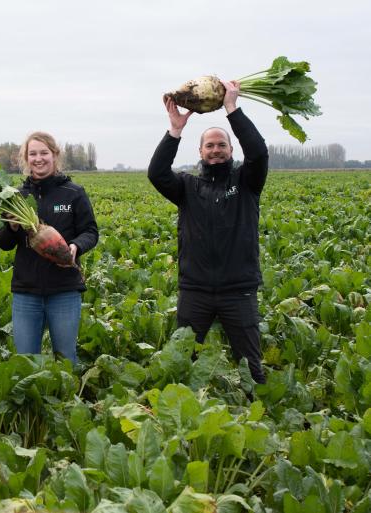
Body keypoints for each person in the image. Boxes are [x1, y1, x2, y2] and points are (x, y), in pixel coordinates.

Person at [147, 80, 268, 384]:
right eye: (210, 145)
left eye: (221, 145)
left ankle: (260, 417)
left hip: (238, 291)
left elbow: (259, 153)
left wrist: (232, 108)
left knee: (250, 368)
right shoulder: (187, 187)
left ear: (230, 150)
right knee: (181, 363)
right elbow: (157, 173)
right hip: (195, 291)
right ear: (200, 151)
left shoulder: (246, 183)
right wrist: (174, 130)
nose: (215, 150)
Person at [0, 132, 98, 364]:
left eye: (44, 153)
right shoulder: (15, 197)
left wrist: (75, 246)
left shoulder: (73, 192)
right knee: (25, 359)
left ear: (55, 155)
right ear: (25, 158)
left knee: (65, 358)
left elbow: (90, 232)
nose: (38, 158)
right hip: (26, 291)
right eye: (32, 154)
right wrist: (11, 227)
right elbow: (4, 244)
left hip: (64, 288)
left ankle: (65, 399)